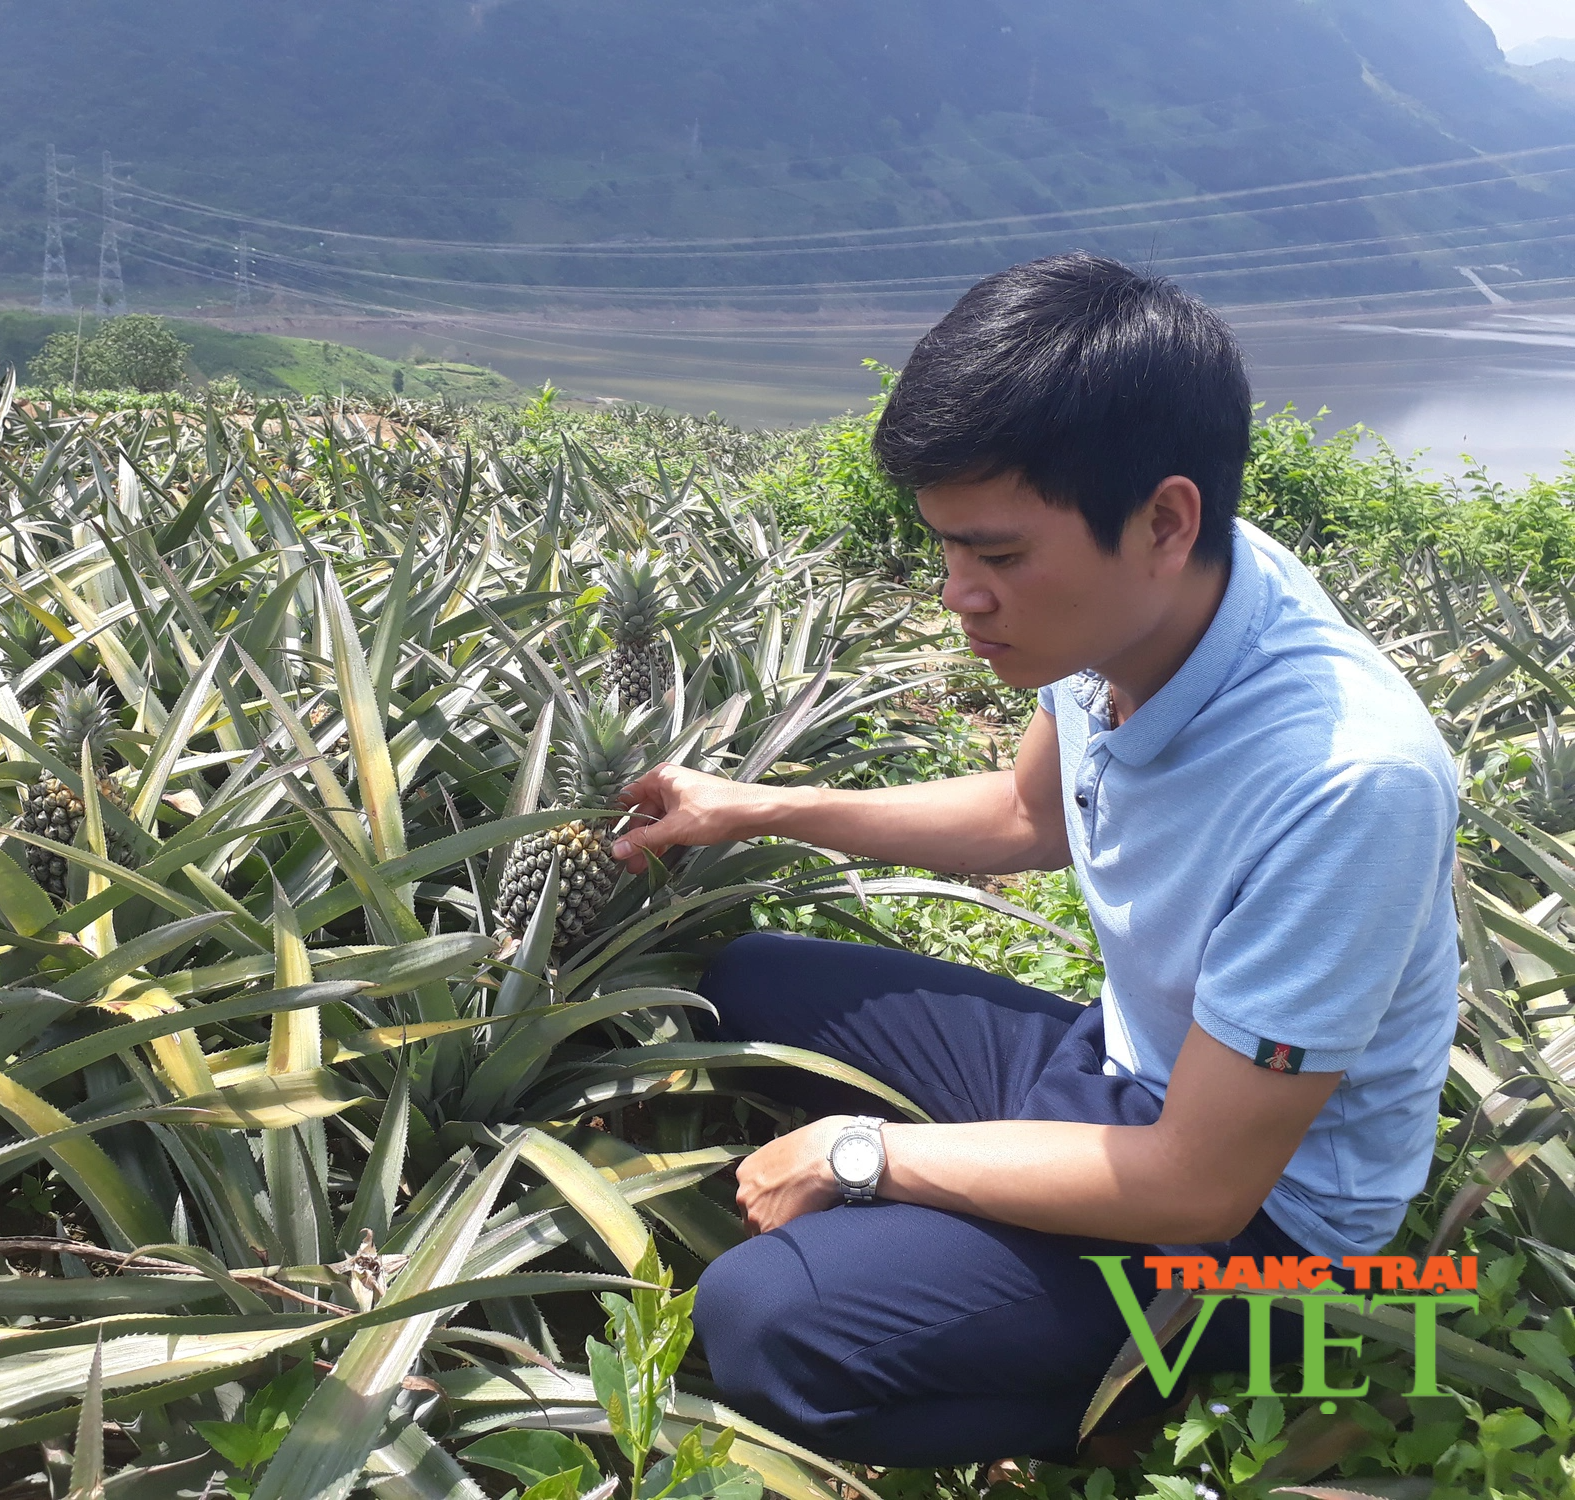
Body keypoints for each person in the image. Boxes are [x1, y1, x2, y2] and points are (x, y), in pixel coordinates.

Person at [610, 254, 1459, 1467]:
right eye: (947, 550)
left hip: (1254, 1223)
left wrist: (866, 1157)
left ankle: (1168, 1407)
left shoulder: (1345, 781)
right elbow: (1027, 818)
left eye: (997, 557)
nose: (959, 595)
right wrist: (757, 806)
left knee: (766, 1322)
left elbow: (1192, 1188)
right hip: (1116, 1070)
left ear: (1164, 521)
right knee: (738, 982)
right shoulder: (1147, 598)